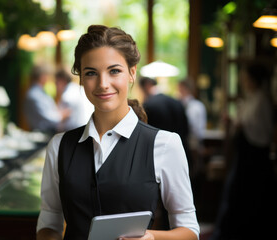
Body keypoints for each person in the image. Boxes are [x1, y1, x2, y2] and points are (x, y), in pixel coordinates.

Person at [36, 25, 199, 240]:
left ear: (132, 73)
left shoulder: (165, 144)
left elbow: (189, 230)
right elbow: (49, 220)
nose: (103, 84)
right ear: (81, 79)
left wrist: (150, 237)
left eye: (114, 71)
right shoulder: (59, 146)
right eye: (91, 73)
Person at [209, 62, 276, 240]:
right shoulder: (250, 98)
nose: (243, 81)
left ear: (253, 80)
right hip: (244, 155)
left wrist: (240, 124)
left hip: (255, 157)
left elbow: (263, 130)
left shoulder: (262, 99)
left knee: (250, 197)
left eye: (246, 78)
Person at [139, 76, 191, 167]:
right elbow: (186, 129)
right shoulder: (176, 102)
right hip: (180, 152)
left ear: (147, 86)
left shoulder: (148, 105)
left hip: (157, 157)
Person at [24, 65, 70, 133]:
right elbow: (48, 117)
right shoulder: (35, 94)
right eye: (47, 75)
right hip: (42, 134)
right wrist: (62, 115)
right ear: (42, 76)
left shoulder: (40, 92)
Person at [178, 79, 207, 175]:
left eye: (179, 89)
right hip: (189, 142)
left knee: (192, 170)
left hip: (193, 143)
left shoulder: (195, 106)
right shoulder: (184, 104)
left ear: (184, 89)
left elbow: (195, 128)